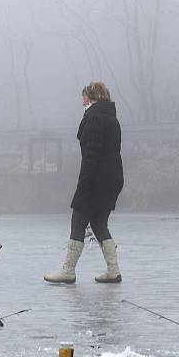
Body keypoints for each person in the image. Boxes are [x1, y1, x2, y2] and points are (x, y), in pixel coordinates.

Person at [44, 82, 124, 284]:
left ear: (91, 97)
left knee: (78, 219)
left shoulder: (94, 118)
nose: (82, 101)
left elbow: (92, 155)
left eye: (84, 97)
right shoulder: (111, 118)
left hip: (98, 178)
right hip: (113, 178)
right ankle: (113, 270)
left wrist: (83, 183)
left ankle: (68, 271)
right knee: (98, 222)